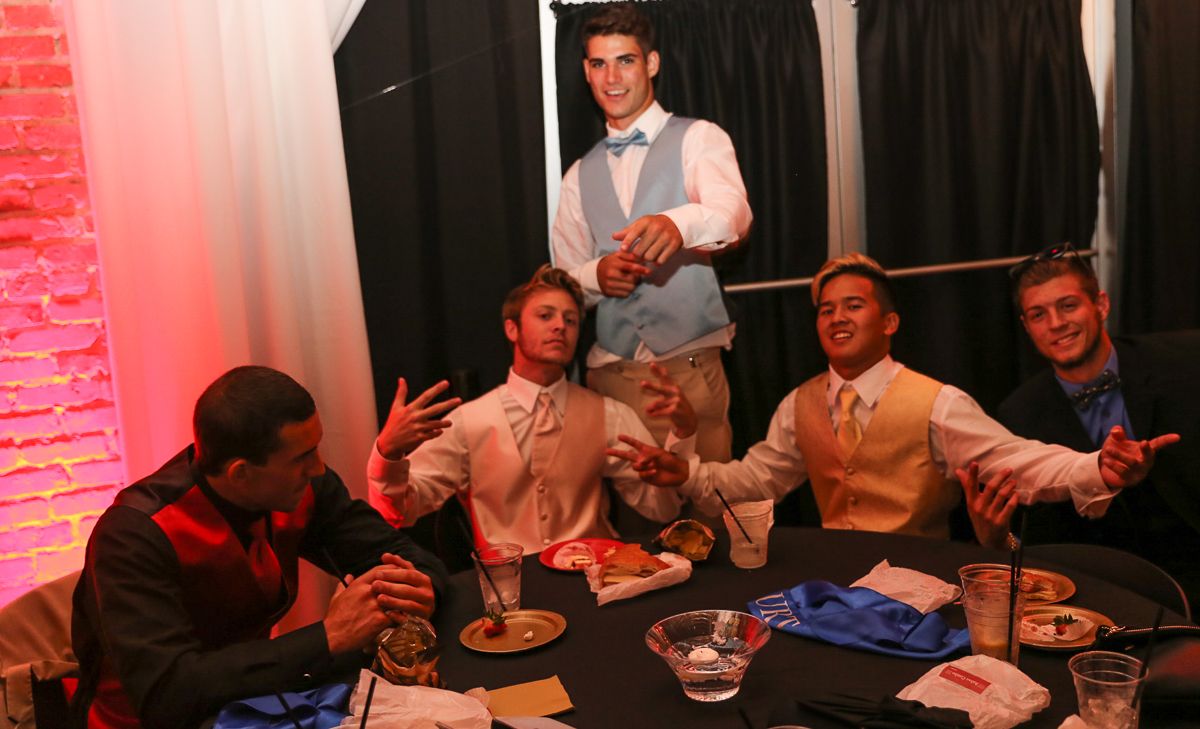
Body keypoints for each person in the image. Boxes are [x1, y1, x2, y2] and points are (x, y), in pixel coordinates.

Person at [610, 253, 1176, 544]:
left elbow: (1017, 461)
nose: (837, 317)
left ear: (889, 323)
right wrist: (686, 473)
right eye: (826, 309)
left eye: (854, 305)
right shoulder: (799, 404)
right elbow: (754, 482)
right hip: (832, 588)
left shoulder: (938, 402)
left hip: (922, 589)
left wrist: (1095, 467)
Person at [72, 366, 447, 729]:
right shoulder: (133, 536)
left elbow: (399, 552)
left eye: (315, 448)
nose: (318, 468)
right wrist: (328, 637)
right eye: (302, 457)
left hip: (257, 702)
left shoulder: (301, 487)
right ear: (241, 473)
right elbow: (168, 693)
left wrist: (420, 588)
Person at [367, 265, 690, 555]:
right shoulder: (468, 421)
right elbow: (397, 512)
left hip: (593, 577)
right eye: (545, 316)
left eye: (571, 320)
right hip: (508, 585)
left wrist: (679, 442)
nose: (560, 326)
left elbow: (663, 511)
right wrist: (388, 455)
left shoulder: (610, 414)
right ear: (512, 329)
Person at [551, 2, 752, 462]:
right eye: (599, 64)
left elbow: (733, 214)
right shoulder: (578, 175)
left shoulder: (699, 138)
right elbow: (564, 280)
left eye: (625, 60)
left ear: (652, 63)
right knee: (629, 508)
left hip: (690, 371)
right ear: (586, 71)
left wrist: (677, 225)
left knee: (705, 498)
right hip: (611, 377)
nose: (612, 78)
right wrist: (597, 276)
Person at [999, 242, 1200, 603]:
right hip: (1096, 589)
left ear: (1101, 305)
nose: (1056, 324)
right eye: (1039, 314)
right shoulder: (1018, 415)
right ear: (1027, 327)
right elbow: (1040, 543)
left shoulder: (1184, 364)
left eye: (1068, 305)